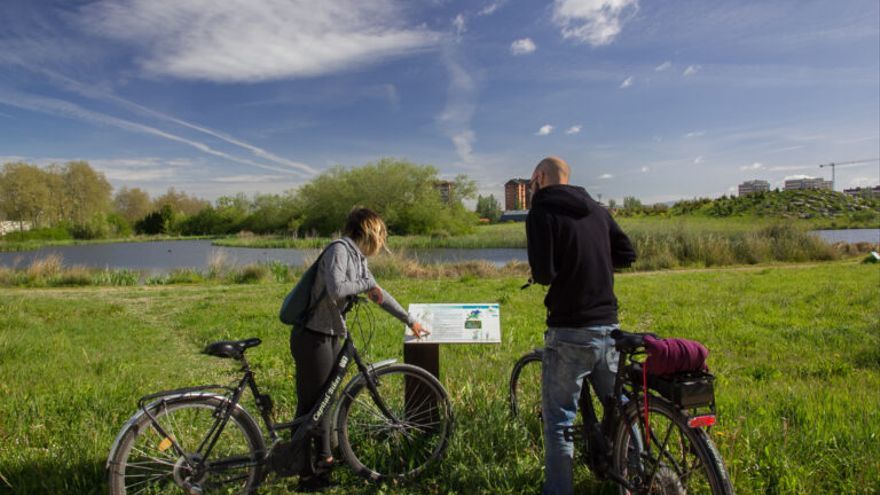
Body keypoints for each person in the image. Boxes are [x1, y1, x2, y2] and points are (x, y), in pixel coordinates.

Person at [290, 207, 427, 490]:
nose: (383, 241)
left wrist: (410, 320)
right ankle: (304, 473)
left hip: (329, 334)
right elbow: (338, 289)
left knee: (326, 400)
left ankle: (325, 460)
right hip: (312, 336)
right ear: (369, 230)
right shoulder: (339, 250)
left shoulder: (357, 257)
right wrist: (366, 283)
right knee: (312, 406)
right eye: (382, 234)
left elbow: (378, 294)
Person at [525, 156, 636, 495]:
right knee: (622, 409)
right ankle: (636, 475)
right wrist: (595, 260)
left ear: (540, 177)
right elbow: (627, 253)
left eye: (532, 182)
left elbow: (544, 274)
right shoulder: (597, 209)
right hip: (609, 326)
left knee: (559, 421)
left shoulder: (541, 210)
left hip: (570, 329)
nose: (532, 188)